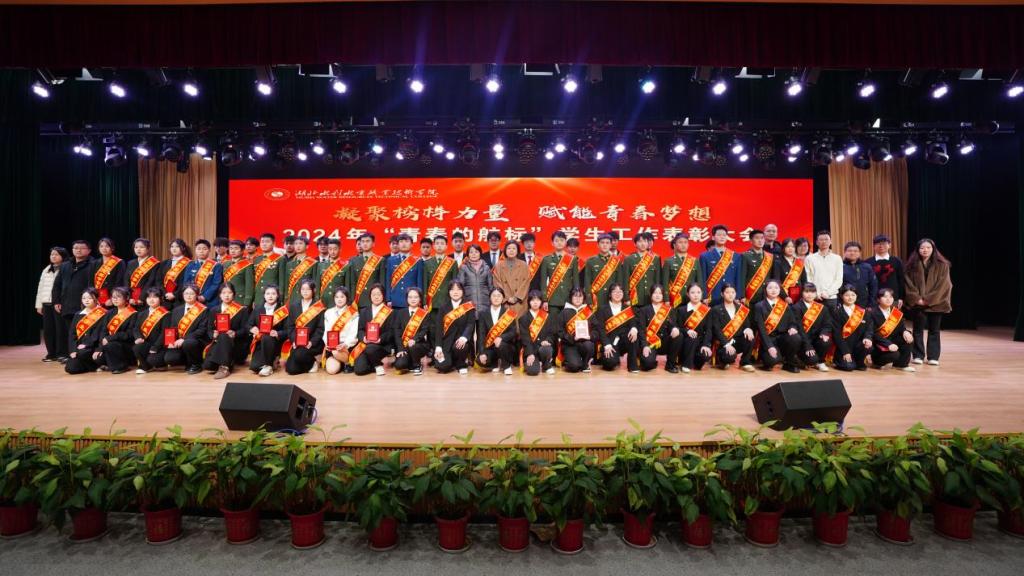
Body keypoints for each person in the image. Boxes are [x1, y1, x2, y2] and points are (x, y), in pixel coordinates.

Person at [904, 238, 953, 366]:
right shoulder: (911, 265)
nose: (925, 250)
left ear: (933, 249)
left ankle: (933, 356)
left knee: (934, 330)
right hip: (918, 304)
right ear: (918, 250)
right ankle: (918, 355)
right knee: (917, 330)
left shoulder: (942, 265)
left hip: (937, 303)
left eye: (928, 247)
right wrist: (917, 299)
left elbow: (944, 285)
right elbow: (908, 284)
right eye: (922, 248)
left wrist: (928, 300)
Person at [52, 240, 96, 362]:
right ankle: (69, 354)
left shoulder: (93, 264)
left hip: (84, 305)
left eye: (82, 248)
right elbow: (57, 285)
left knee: (84, 331)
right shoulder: (65, 265)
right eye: (76, 248)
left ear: (89, 251)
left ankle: (83, 355)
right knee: (68, 332)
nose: (78, 250)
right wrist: (56, 301)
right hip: (66, 304)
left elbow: (93, 286)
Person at [752, 279, 804, 373]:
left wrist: (792, 328)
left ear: (780, 290)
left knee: (796, 338)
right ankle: (772, 358)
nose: (773, 290)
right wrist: (769, 346)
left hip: (782, 338)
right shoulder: (759, 306)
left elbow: (792, 322)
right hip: (768, 339)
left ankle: (789, 363)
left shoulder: (785, 306)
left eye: (776, 288)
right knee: (772, 360)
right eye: (770, 288)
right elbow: (761, 329)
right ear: (765, 290)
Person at [202, 283, 251, 379]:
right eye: (223, 293)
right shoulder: (214, 310)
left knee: (224, 335)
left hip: (236, 343)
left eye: (229, 292)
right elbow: (209, 329)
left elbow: (245, 330)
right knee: (208, 366)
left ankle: (225, 367)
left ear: (234, 294)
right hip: (219, 342)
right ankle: (229, 362)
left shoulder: (242, 310)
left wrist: (235, 333)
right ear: (220, 295)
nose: (226, 295)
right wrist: (213, 334)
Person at [160, 283, 210, 374]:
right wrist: (171, 341)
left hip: (196, 340)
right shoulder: (176, 310)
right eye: (186, 293)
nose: (188, 296)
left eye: (192, 293)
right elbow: (173, 327)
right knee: (170, 359)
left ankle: (196, 364)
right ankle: (187, 361)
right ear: (183, 295)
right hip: (179, 341)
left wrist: (184, 339)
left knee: (189, 343)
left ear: (197, 295)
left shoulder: (204, 310)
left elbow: (202, 330)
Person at [705, 282, 755, 371]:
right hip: (723, 342)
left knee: (750, 338)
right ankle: (722, 361)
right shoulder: (716, 309)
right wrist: (726, 344)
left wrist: (748, 329)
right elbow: (716, 330)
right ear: (722, 294)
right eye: (727, 292)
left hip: (738, 340)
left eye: (733, 292)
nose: (730, 294)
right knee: (729, 357)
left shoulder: (741, 309)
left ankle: (745, 362)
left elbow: (746, 325)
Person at [593, 283, 640, 372]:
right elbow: (601, 329)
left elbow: (633, 322)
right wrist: (606, 344)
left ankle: (633, 366)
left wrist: (634, 328)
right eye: (615, 292)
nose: (617, 294)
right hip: (610, 342)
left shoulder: (627, 308)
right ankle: (612, 358)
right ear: (610, 294)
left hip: (623, 341)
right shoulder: (602, 309)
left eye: (620, 292)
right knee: (609, 364)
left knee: (633, 336)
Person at [432, 280, 476, 374]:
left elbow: (470, 324)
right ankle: (451, 362)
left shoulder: (469, 306)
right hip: (446, 343)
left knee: (461, 346)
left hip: (460, 342)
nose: (455, 292)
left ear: (463, 291)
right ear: (449, 292)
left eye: (458, 289)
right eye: (452, 290)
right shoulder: (443, 307)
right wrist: (438, 347)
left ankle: (461, 364)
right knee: (442, 367)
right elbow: (439, 328)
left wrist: (464, 337)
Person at [284, 279, 326, 375]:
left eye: (308, 289)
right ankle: (311, 363)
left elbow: (320, 329)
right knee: (290, 369)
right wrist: (294, 340)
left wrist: (312, 342)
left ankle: (312, 362)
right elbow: (290, 327)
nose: (305, 292)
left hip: (312, 343)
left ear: (313, 290)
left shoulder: (319, 307)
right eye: (303, 289)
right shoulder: (294, 306)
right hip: (298, 343)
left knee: (298, 356)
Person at [868, 288, 916, 372]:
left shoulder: (896, 312)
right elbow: (873, 334)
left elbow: (901, 328)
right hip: (878, 344)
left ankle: (901, 365)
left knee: (907, 339)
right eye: (885, 297)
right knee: (894, 355)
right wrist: (888, 344)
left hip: (892, 341)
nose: (888, 299)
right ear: (878, 299)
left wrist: (905, 332)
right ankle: (877, 363)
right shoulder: (872, 313)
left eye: (890, 297)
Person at [351, 284, 394, 376]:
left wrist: (380, 339)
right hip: (366, 344)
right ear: (370, 296)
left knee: (370, 348)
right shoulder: (364, 311)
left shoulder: (389, 312)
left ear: (383, 295)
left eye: (379, 294)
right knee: (359, 370)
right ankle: (374, 365)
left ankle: (378, 365)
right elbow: (360, 330)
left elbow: (391, 332)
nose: (376, 297)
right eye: (373, 294)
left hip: (382, 345)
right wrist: (364, 338)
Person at [638, 285, 682, 373]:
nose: (657, 295)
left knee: (679, 335)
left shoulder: (669, 309)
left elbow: (673, 324)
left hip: (665, 342)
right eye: (655, 293)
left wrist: (675, 328)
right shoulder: (644, 310)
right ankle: (653, 362)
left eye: (660, 293)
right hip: (650, 343)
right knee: (647, 365)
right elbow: (641, 330)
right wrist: (644, 345)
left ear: (663, 295)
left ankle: (670, 365)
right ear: (651, 295)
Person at [64, 288, 107, 374]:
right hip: (80, 349)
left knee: (84, 354)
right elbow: (72, 334)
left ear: (96, 299)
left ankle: (93, 364)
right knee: (70, 368)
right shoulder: (78, 314)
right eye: (84, 298)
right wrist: (73, 350)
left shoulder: (103, 313)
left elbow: (101, 333)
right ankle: (92, 366)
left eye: (89, 298)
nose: (86, 300)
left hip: (95, 347)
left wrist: (87, 344)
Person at [248, 285, 289, 377]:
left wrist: (278, 333)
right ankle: (272, 361)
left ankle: (268, 365)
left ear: (277, 295)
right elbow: (248, 325)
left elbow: (288, 330)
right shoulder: (257, 309)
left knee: (267, 337)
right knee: (254, 367)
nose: (270, 296)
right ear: (264, 295)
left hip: (275, 342)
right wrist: (252, 329)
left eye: (273, 294)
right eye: (268, 294)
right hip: (260, 341)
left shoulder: (283, 311)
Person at [36, 246, 68, 362]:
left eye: (56, 254)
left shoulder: (66, 268)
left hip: (59, 304)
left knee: (60, 329)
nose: (53, 256)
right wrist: (39, 305)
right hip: (46, 303)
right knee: (48, 330)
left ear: (62, 256)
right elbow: (41, 287)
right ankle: (51, 353)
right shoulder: (46, 269)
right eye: (52, 254)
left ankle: (61, 353)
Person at [831, 284, 873, 372]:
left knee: (867, 345)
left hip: (857, 347)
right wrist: (845, 351)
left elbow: (869, 328)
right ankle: (840, 361)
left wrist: (867, 338)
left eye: (853, 295)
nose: (850, 298)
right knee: (849, 367)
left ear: (856, 296)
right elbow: (836, 335)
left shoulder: (863, 312)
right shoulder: (837, 312)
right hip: (843, 348)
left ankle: (859, 361)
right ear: (842, 296)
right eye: (847, 295)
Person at [476, 287, 517, 375]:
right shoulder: (483, 313)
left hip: (505, 346)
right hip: (490, 347)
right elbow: (481, 334)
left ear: (503, 298)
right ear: (490, 298)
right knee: (480, 361)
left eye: (499, 296)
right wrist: (482, 352)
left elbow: (513, 332)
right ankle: (495, 362)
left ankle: (506, 366)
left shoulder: (508, 313)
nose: (496, 298)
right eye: (494, 296)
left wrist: (501, 338)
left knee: (501, 345)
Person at [699, 225, 743, 306]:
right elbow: (702, 278)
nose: (722, 237)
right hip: (712, 296)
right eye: (719, 235)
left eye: (724, 235)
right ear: (713, 237)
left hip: (731, 296)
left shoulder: (736, 256)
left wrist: (738, 296)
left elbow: (738, 278)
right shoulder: (705, 256)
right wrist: (704, 296)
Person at [792, 283, 831, 372]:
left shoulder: (822, 308)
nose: (810, 294)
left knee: (826, 340)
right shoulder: (796, 307)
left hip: (816, 339)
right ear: (802, 293)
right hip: (803, 341)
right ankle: (801, 359)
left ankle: (820, 362)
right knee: (811, 360)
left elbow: (827, 325)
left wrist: (824, 333)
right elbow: (799, 329)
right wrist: (807, 346)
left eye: (813, 292)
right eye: (806, 292)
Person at [98, 287, 138, 374]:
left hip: (125, 344)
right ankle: (111, 363)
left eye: (118, 297)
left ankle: (121, 367)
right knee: (98, 358)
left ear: (126, 298)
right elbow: (104, 331)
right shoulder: (109, 313)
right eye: (113, 297)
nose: (115, 299)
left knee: (111, 345)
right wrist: (100, 347)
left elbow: (129, 334)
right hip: (108, 343)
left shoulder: (133, 313)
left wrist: (110, 338)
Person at [674, 283, 712, 373]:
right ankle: (686, 364)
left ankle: (694, 362)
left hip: (700, 343)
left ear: (702, 293)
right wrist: (687, 331)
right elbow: (677, 327)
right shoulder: (681, 310)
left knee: (705, 355)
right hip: (685, 344)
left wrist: (706, 345)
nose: (696, 295)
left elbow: (709, 330)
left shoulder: (707, 310)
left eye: (698, 292)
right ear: (688, 294)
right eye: (692, 292)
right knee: (692, 338)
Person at [392, 287, 431, 375]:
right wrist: (400, 349)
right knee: (399, 365)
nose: (413, 299)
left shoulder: (424, 314)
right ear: (407, 299)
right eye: (410, 297)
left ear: (420, 298)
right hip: (404, 346)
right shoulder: (400, 313)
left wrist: (415, 339)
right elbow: (397, 332)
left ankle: (417, 365)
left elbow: (424, 330)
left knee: (414, 347)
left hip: (419, 345)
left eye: (416, 297)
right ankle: (410, 361)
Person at [540, 231, 579, 316]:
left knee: (568, 322)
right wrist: (544, 299)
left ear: (565, 242)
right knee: (553, 322)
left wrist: (576, 297)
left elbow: (576, 281)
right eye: (556, 240)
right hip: (552, 298)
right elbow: (543, 282)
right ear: (552, 243)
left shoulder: (572, 259)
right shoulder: (547, 259)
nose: (559, 243)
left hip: (568, 298)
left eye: (562, 240)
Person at [132, 287, 170, 374]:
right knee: (137, 348)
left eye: (155, 297)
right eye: (149, 297)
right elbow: (136, 328)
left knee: (153, 360)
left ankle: (159, 364)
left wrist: (155, 347)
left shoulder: (166, 314)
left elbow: (164, 333)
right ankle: (146, 367)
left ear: (160, 299)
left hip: (160, 345)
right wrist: (138, 337)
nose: (151, 300)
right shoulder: (141, 314)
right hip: (146, 342)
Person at [322, 286, 360, 375]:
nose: (339, 299)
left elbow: (353, 334)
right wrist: (327, 343)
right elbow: (326, 331)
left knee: (336, 352)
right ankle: (342, 363)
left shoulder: (353, 313)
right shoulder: (328, 313)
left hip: (347, 346)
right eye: (337, 297)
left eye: (342, 297)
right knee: (331, 370)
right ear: (334, 298)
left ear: (347, 298)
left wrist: (345, 344)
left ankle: (347, 362)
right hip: (332, 347)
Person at [558, 288, 596, 373]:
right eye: (575, 296)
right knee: (574, 367)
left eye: (580, 296)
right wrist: (572, 338)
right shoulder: (564, 312)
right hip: (569, 345)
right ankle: (572, 361)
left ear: (583, 298)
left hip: (584, 343)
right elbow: (560, 332)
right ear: (571, 298)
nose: (578, 299)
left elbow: (596, 330)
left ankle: (585, 363)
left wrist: (590, 336)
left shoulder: (588, 312)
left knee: (589, 345)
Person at [518, 290, 555, 376]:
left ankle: (546, 365)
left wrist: (547, 340)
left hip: (543, 348)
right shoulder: (523, 319)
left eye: (538, 300)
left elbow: (552, 333)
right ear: (529, 302)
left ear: (541, 302)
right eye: (533, 300)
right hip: (531, 349)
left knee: (546, 348)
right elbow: (525, 339)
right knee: (532, 371)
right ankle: (538, 364)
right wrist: (530, 353)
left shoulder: (547, 316)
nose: (535, 302)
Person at [584, 233, 625, 309]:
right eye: (602, 243)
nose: (605, 245)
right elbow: (587, 282)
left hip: (613, 298)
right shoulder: (591, 261)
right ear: (598, 245)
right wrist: (589, 299)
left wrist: (620, 297)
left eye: (607, 243)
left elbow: (619, 282)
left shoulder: (616, 261)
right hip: (596, 298)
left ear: (610, 245)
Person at [804, 230, 844, 307]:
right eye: (821, 239)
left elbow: (838, 279)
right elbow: (808, 277)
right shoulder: (810, 258)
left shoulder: (837, 258)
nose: (824, 242)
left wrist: (828, 293)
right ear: (817, 242)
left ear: (830, 241)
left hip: (831, 297)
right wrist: (815, 293)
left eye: (826, 239)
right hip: (814, 297)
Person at [384, 233, 424, 311]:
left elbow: (419, 282)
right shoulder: (391, 260)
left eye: (406, 241)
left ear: (411, 245)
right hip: (395, 299)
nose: (404, 244)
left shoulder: (418, 261)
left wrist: (419, 299)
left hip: (412, 300)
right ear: (398, 244)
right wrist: (388, 299)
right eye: (401, 241)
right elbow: (388, 281)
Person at [661, 233, 702, 308]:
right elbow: (665, 283)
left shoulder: (695, 261)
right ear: (674, 245)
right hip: (675, 299)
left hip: (692, 298)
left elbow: (699, 281)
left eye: (685, 242)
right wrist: (666, 299)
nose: (683, 245)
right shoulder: (668, 261)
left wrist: (700, 298)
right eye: (680, 242)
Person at [865, 234, 905, 309]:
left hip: (893, 298)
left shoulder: (896, 261)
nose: (881, 246)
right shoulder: (868, 262)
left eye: (884, 243)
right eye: (878, 243)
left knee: (893, 317)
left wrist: (901, 297)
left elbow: (901, 280)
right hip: (874, 299)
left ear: (889, 245)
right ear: (873, 246)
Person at [347, 233, 386, 309]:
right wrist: (351, 300)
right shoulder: (353, 260)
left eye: (368, 241)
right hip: (358, 299)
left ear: (373, 244)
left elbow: (382, 282)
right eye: (363, 241)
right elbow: (352, 282)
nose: (365, 244)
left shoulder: (380, 260)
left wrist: (383, 299)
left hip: (374, 299)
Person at [492, 241, 530, 316]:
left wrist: (516, 298)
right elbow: (497, 282)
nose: (511, 250)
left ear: (517, 251)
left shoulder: (523, 265)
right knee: (505, 321)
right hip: (505, 301)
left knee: (520, 321)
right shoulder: (499, 265)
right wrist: (507, 298)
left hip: (519, 302)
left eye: (514, 248)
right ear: (505, 250)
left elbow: (526, 283)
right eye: (509, 248)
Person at [182, 239, 223, 307]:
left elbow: (216, 284)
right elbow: (186, 282)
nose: (201, 251)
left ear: (209, 250)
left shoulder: (216, 265)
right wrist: (192, 295)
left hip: (210, 301)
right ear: (195, 250)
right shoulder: (190, 265)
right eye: (199, 249)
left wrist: (205, 296)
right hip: (192, 299)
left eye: (204, 249)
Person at [625, 232, 661, 307]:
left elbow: (658, 280)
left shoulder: (655, 259)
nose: (643, 244)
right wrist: (626, 298)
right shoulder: (629, 259)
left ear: (648, 243)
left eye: (645, 241)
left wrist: (659, 296)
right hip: (635, 297)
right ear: (635, 244)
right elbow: (625, 280)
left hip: (651, 297)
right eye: (640, 241)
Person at [740, 229, 775, 306]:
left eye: (762, 238)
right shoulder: (745, 256)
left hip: (767, 294)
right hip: (752, 295)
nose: (760, 240)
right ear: (751, 241)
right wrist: (742, 296)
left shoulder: (770, 256)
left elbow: (773, 277)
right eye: (757, 238)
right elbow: (742, 277)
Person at [253, 233, 285, 310]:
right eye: (262, 242)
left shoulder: (280, 259)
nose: (264, 244)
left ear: (273, 243)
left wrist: (280, 297)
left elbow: (282, 281)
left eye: (267, 241)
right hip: (258, 297)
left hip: (273, 297)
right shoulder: (257, 259)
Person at [423, 235, 456, 310]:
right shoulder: (427, 263)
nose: (439, 246)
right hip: (432, 302)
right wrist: (424, 302)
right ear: (433, 246)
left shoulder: (452, 263)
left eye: (442, 243)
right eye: (437, 243)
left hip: (447, 301)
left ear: (446, 246)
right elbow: (425, 284)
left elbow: (454, 284)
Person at [124, 238, 160, 307]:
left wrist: (141, 297)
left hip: (146, 297)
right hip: (131, 299)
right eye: (136, 247)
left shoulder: (154, 263)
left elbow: (151, 281)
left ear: (148, 248)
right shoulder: (130, 263)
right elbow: (126, 280)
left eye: (141, 247)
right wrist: (129, 297)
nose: (138, 249)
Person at [282, 236, 319, 303]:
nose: (298, 246)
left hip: (306, 299)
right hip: (292, 298)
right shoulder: (289, 264)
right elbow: (286, 284)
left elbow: (315, 283)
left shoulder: (313, 263)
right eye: (296, 244)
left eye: (300, 243)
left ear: (307, 246)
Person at [841, 241, 877, 308]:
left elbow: (873, 286)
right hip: (845, 303)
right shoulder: (840, 266)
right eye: (849, 251)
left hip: (864, 303)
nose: (852, 253)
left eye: (855, 251)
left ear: (860, 253)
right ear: (845, 252)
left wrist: (871, 303)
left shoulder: (867, 267)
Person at [91, 237, 125, 307]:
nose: (104, 248)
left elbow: (119, 281)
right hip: (97, 297)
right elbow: (91, 281)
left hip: (112, 298)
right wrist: (93, 297)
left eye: (107, 246)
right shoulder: (94, 263)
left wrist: (112, 298)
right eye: (101, 246)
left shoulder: (119, 262)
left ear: (112, 248)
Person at [222, 240, 254, 308]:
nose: (233, 251)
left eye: (236, 248)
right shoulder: (225, 264)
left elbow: (249, 285)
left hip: (239, 299)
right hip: (225, 298)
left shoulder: (247, 264)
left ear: (242, 250)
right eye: (231, 248)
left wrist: (247, 302)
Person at [774, 238, 806, 304]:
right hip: (785, 296)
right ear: (783, 248)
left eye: (792, 247)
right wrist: (785, 297)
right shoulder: (778, 262)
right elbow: (777, 281)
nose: (790, 249)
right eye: (788, 246)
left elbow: (804, 281)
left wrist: (804, 294)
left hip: (799, 296)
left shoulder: (799, 262)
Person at [317, 238, 346, 307]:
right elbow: (318, 284)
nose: (332, 252)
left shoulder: (346, 265)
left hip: (339, 300)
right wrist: (317, 299)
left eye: (335, 249)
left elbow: (347, 285)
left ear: (340, 249)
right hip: (323, 300)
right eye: (330, 249)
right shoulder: (321, 265)